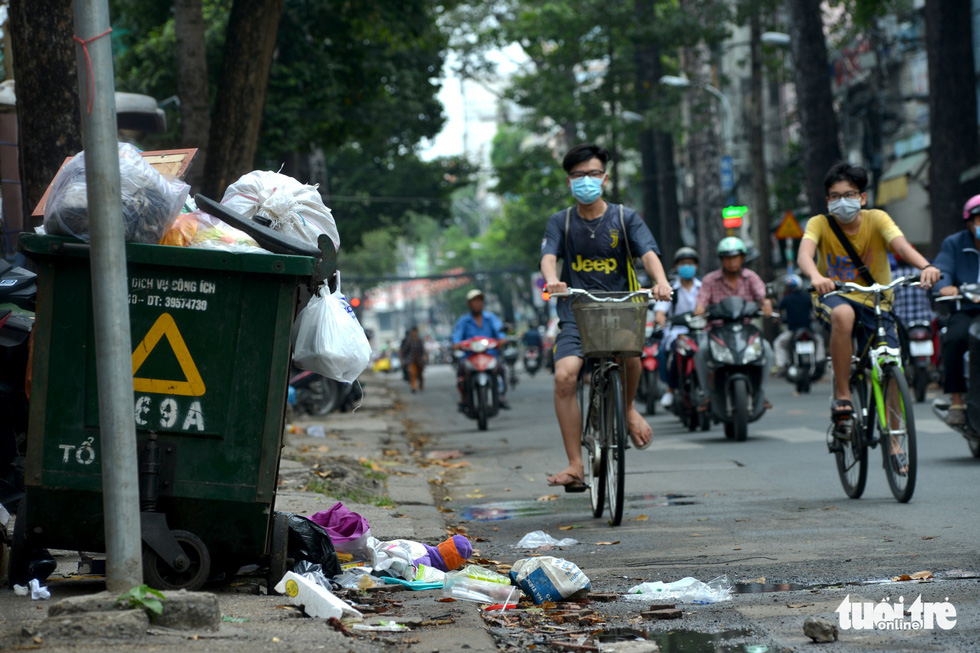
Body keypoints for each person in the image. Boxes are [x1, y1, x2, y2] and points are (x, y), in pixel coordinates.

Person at [540, 143, 672, 492]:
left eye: (593, 174)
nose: (587, 180)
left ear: (605, 178)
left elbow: (649, 254)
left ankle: (627, 409)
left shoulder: (625, 218)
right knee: (565, 377)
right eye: (579, 175)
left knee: (631, 356)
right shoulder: (561, 222)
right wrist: (552, 280)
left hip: (622, 309)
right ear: (570, 182)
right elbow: (549, 257)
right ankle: (575, 464)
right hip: (576, 314)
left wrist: (660, 283)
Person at [797, 162, 939, 467]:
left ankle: (895, 444)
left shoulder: (878, 219)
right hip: (832, 296)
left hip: (878, 301)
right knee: (844, 316)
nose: (842, 201)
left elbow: (900, 246)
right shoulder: (819, 224)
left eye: (849, 194)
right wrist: (815, 276)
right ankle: (843, 394)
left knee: (890, 367)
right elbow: (805, 255)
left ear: (862, 197)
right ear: (827, 201)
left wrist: (925, 266)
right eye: (835, 196)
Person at [692, 236, 774, 405]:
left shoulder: (751, 277)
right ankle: (707, 395)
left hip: (745, 331)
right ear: (722, 259)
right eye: (727, 258)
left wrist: (766, 305)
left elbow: (762, 297)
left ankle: (760, 393)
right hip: (718, 332)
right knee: (701, 353)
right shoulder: (710, 280)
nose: (731, 262)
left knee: (767, 350)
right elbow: (701, 301)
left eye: (735, 257)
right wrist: (699, 309)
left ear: (742, 258)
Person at [931, 194, 980, 425]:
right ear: (969, 223)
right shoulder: (955, 243)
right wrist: (944, 287)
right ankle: (957, 399)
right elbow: (942, 268)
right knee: (954, 338)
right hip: (966, 309)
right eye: (979, 220)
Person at [654, 246, 702, 408]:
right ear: (676, 267)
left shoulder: (703, 289)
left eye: (690, 263)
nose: (686, 266)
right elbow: (660, 310)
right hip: (677, 333)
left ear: (696, 266)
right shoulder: (670, 290)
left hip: (699, 331)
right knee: (666, 352)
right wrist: (660, 318)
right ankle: (670, 389)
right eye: (683, 263)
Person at [451, 289, 510, 409]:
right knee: (461, 371)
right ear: (469, 304)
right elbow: (456, 336)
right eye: (474, 301)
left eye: (479, 301)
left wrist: (502, 339)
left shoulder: (491, 318)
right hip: (470, 356)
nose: (477, 304)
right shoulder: (463, 321)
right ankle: (464, 398)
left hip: (490, 354)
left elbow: (500, 332)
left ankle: (501, 395)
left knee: (501, 370)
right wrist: (456, 343)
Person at [772, 273, 825, 373]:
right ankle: (819, 360)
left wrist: (778, 318)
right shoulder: (807, 297)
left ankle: (782, 365)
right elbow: (815, 311)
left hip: (792, 330)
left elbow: (778, 312)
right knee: (819, 340)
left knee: (779, 343)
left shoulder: (786, 299)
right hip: (808, 329)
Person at [401, 326, 427, 393]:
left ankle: (421, 385)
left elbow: (423, 350)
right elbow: (404, 350)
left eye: (415, 332)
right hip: (411, 359)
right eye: (413, 332)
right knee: (412, 373)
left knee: (420, 374)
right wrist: (403, 359)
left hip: (419, 359)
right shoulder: (409, 340)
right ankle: (413, 387)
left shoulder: (420, 340)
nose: (414, 334)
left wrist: (424, 356)